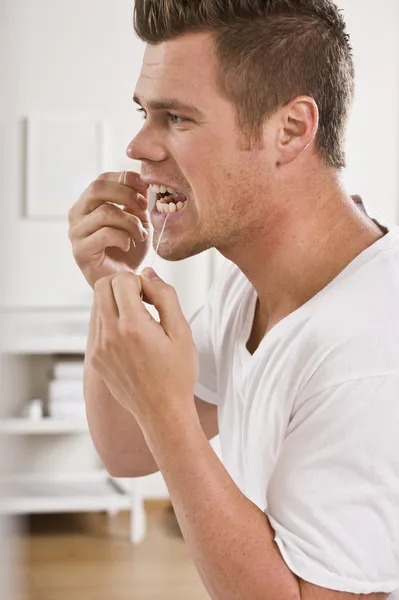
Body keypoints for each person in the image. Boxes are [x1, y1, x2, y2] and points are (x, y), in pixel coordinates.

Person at [68, 1, 399, 598]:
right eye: (145, 112)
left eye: (176, 118)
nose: (139, 146)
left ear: (291, 130)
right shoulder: (251, 287)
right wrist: (111, 280)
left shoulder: (369, 355)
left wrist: (167, 412)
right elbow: (125, 449)